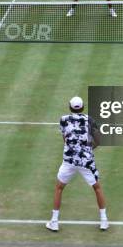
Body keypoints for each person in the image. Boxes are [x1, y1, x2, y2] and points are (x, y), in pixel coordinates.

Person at [46, 97, 109, 232]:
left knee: (59, 188)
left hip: (69, 160)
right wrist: (88, 149)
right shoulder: (90, 120)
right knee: (97, 188)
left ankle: (54, 222)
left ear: (70, 107)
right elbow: (98, 140)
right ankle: (104, 221)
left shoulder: (63, 120)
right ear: (83, 107)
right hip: (86, 161)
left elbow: (65, 139)